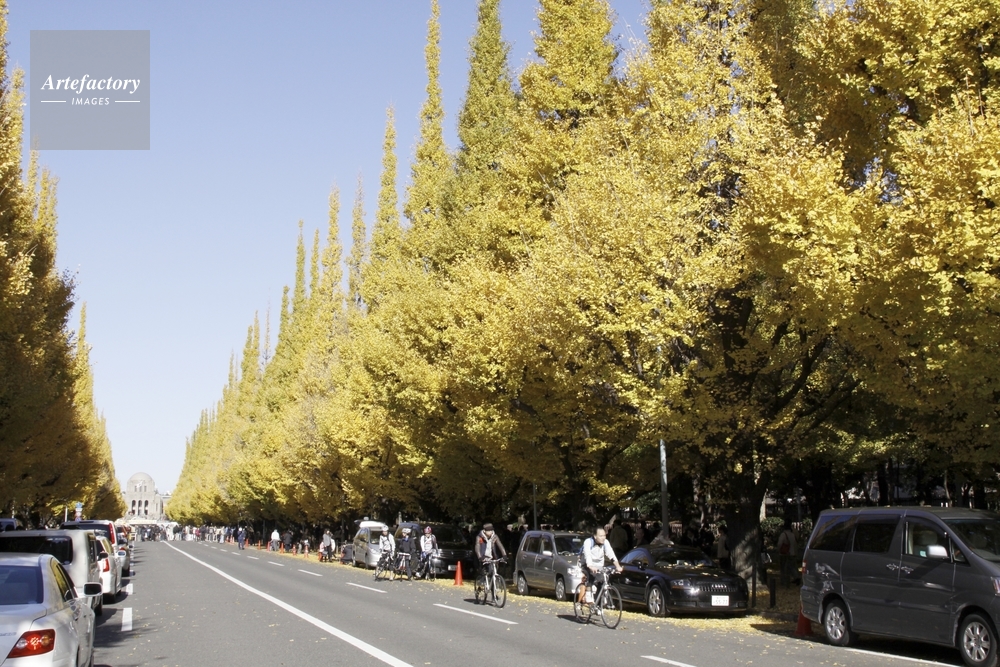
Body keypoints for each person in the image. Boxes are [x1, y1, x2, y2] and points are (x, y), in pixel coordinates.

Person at [578, 527, 623, 604]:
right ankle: (587, 595)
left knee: (601, 582)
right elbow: (587, 555)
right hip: (586, 563)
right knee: (590, 574)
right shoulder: (588, 542)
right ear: (595, 536)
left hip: (599, 565)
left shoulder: (605, 542)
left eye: (604, 535)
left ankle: (598, 604)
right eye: (601, 536)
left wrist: (618, 566)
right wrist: (590, 566)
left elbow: (611, 554)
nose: (603, 538)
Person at [776, 518, 798, 587]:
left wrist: (778, 550)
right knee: (791, 568)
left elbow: (779, 544)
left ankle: (784, 582)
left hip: (784, 554)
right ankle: (795, 578)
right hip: (792, 553)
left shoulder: (783, 534)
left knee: (783, 569)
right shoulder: (792, 534)